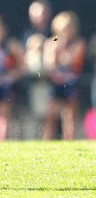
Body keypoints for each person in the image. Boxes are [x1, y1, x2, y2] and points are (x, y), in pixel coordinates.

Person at [42, 11, 86, 140]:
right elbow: (49, 62)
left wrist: (60, 55)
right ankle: (46, 141)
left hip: (71, 83)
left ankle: (69, 141)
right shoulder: (54, 40)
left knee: (70, 116)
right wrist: (56, 53)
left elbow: (72, 60)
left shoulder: (78, 42)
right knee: (51, 115)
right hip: (55, 83)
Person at [21, 0, 53, 138]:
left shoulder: (53, 33)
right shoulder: (27, 33)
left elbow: (56, 43)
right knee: (31, 114)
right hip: (30, 80)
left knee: (48, 114)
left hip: (48, 80)